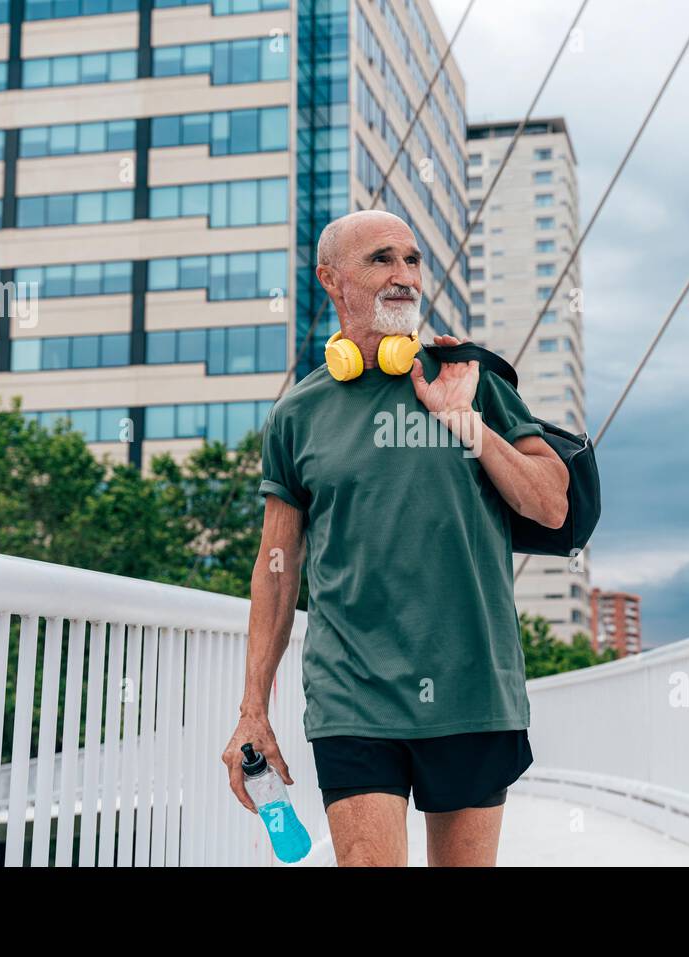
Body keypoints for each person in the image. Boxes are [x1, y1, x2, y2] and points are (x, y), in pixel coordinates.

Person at [222, 209, 569, 866]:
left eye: (412, 260)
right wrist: (253, 708)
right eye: (381, 259)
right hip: (352, 691)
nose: (403, 275)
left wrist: (466, 422)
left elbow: (551, 504)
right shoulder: (299, 412)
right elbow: (275, 567)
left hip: (470, 685)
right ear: (330, 278)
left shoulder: (471, 378)